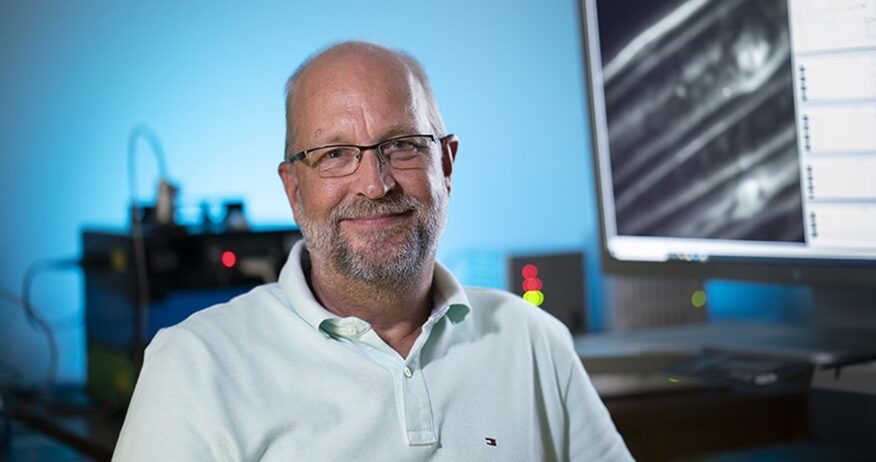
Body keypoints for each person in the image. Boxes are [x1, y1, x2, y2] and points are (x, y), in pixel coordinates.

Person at [113, 41, 633, 461]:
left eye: (402, 145)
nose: (376, 184)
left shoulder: (534, 341)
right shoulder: (196, 366)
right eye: (335, 154)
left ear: (446, 166)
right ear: (294, 189)